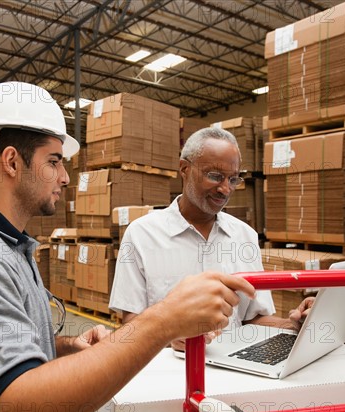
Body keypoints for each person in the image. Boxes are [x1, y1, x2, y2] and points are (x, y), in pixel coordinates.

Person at [0, 82, 257, 412]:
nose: (64, 177)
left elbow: (7, 343)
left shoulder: (9, 247)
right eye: (54, 161)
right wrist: (167, 319)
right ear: (12, 162)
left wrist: (62, 347)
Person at [109, 127, 313, 348]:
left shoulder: (244, 236)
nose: (225, 189)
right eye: (215, 176)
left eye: (233, 179)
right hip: (171, 373)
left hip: (234, 372)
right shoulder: (142, 235)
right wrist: (170, 335)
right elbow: (130, 324)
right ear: (184, 168)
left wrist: (294, 326)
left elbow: (252, 320)